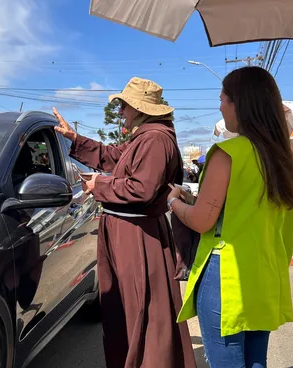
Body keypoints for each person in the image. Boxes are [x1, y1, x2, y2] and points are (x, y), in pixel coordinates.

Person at [168, 66, 293, 367]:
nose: (219, 105)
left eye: (222, 98)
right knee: (256, 361)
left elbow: (203, 220)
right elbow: (248, 208)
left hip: (228, 275)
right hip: (266, 272)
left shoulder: (227, 152)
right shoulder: (280, 158)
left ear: (239, 103)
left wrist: (174, 203)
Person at [53, 77, 196, 368]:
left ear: (140, 109)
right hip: (128, 231)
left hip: (136, 235)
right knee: (130, 307)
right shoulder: (145, 137)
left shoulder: (155, 139)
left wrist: (99, 186)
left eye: (125, 107)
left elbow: (142, 189)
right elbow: (112, 157)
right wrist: (75, 139)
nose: (121, 113)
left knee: (142, 308)